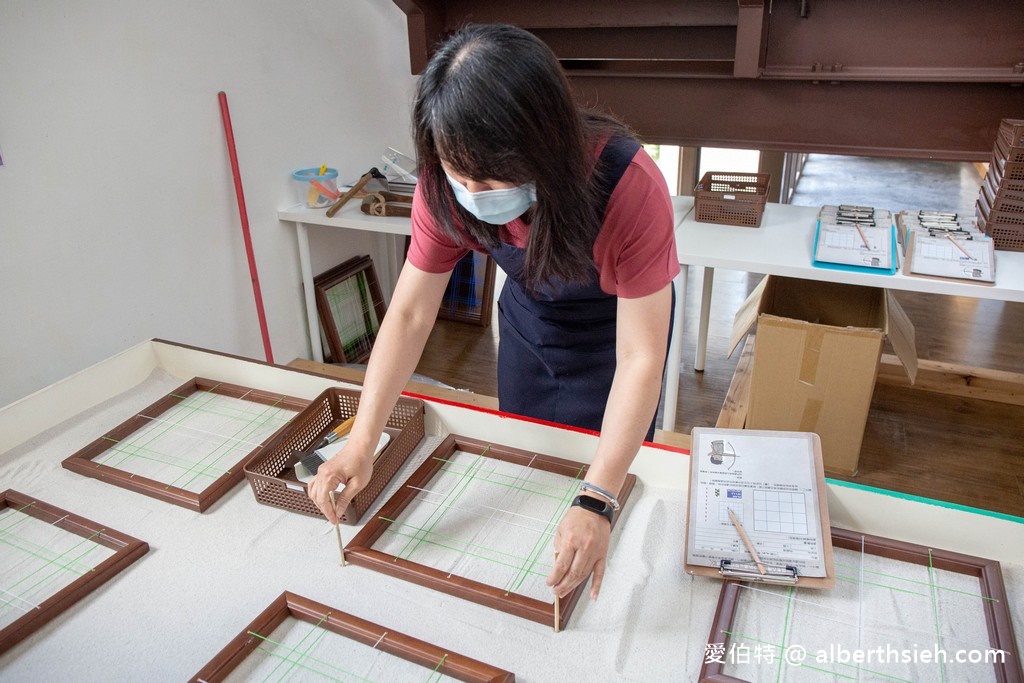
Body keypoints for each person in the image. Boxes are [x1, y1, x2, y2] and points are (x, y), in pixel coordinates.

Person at [308, 23, 678, 602]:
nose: (474, 189)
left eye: (492, 174)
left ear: (545, 145)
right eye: (461, 173)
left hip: (617, 341)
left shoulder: (627, 187)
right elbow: (408, 314)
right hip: (530, 326)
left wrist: (598, 498)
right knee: (528, 463)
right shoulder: (441, 188)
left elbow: (641, 357)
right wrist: (362, 440)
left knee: (603, 487)